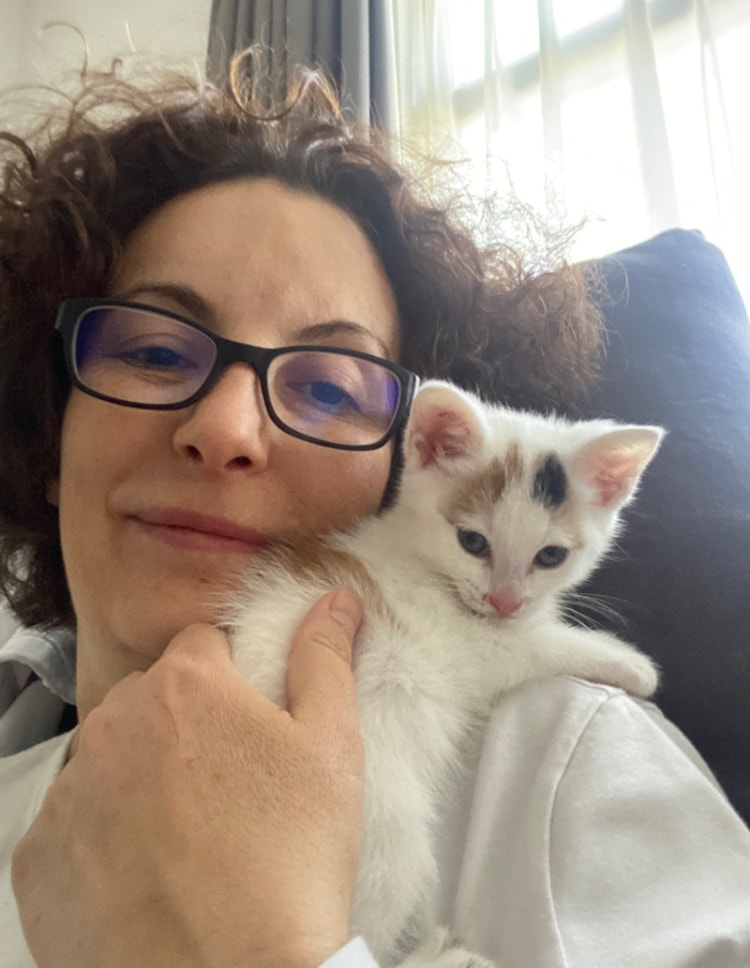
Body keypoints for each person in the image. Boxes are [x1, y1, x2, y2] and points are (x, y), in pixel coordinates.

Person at [0, 52, 748, 968]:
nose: (227, 429)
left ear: (403, 467)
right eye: (155, 352)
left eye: (327, 388)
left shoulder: (562, 762)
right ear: (46, 436)